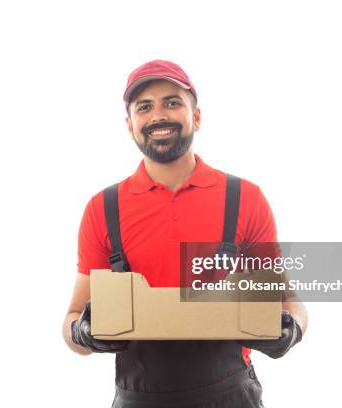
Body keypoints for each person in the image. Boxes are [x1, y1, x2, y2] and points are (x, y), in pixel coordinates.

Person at [62, 60, 308, 407]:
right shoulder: (103, 209)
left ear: (196, 116)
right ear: (130, 125)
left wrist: (291, 328)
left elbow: (288, 302)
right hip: (139, 399)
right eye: (144, 107)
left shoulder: (245, 199)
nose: (158, 115)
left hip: (230, 396)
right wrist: (82, 333)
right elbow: (72, 321)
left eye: (172, 102)